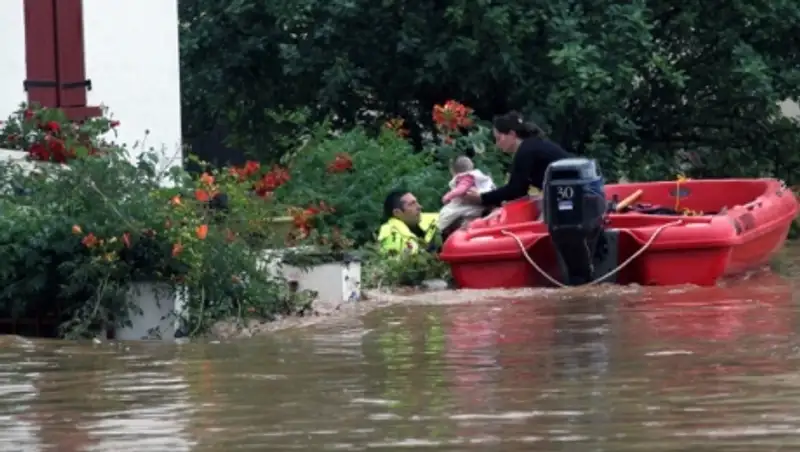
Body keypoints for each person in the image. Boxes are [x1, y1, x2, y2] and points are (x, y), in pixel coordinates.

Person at [462, 111, 573, 208]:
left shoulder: (526, 150)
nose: (497, 144)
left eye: (498, 138)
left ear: (512, 134)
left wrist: (482, 198)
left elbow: (515, 190)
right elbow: (520, 189)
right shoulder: (532, 145)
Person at [438, 155, 496, 237]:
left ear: (453, 171)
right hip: (483, 205)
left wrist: (447, 197)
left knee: (446, 214)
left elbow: (461, 189)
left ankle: (442, 231)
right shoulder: (475, 177)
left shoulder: (465, 178)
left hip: (472, 206)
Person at [377, 189, 440, 254]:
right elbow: (397, 261)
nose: (419, 207)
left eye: (416, 202)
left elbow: (443, 218)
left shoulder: (423, 217)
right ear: (397, 213)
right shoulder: (390, 234)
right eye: (411, 204)